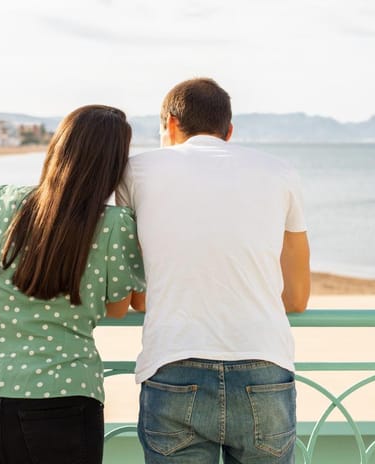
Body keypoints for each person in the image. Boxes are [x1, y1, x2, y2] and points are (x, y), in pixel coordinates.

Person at [116, 78, 311, 464]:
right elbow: (297, 298)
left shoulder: (135, 172)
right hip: (264, 366)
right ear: (229, 132)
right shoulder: (280, 172)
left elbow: (136, 295)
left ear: (170, 124)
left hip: (172, 363)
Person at [0, 105, 146, 464]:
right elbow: (118, 308)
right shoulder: (114, 224)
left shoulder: (0, 201)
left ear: (57, 148)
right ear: (114, 167)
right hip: (65, 397)